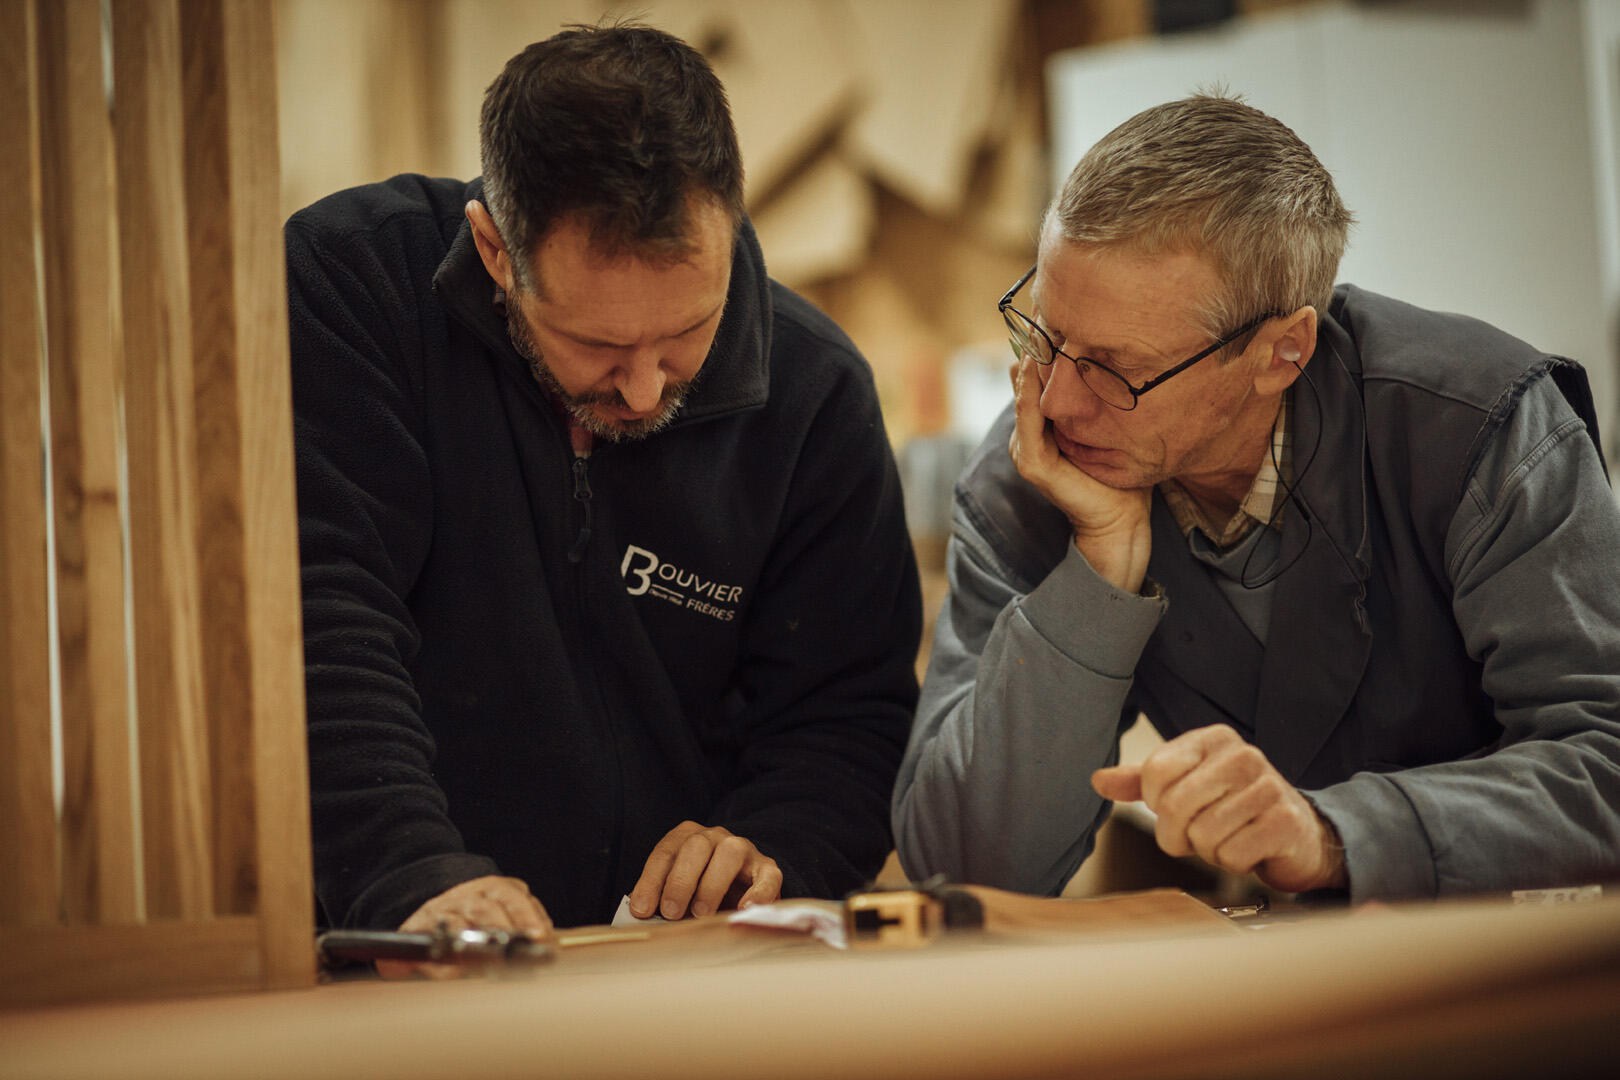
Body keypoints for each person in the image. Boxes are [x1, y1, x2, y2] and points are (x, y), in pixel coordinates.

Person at [287, 23, 921, 971]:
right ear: (497, 252)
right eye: (595, 346)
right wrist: (410, 874)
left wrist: (772, 848)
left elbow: (849, 715)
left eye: (685, 334)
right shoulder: (354, 288)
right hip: (396, 958)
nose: (641, 389)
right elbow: (319, 620)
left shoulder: (817, 393)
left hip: (680, 983)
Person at [892, 94, 1620, 903]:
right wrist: (1097, 580)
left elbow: (1606, 765)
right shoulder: (1032, 476)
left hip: (1511, 964)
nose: (1057, 401)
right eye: (1045, 336)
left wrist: (1339, 836)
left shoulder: (1474, 428)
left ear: (1282, 352)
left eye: (1114, 367)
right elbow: (960, 869)